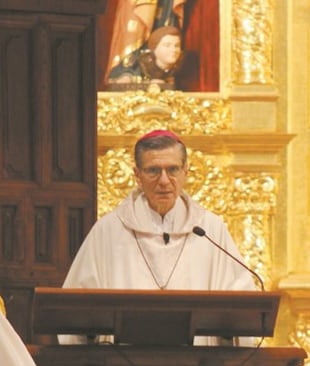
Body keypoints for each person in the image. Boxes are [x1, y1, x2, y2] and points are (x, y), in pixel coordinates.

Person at [63, 129, 256, 294]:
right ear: (137, 175)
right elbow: (78, 302)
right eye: (153, 171)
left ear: (185, 172)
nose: (164, 181)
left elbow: (239, 297)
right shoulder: (109, 230)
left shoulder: (209, 229)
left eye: (172, 170)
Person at [108, 26, 185, 90]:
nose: (174, 50)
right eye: (167, 45)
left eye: (177, 46)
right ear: (154, 48)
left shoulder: (180, 66)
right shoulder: (140, 64)